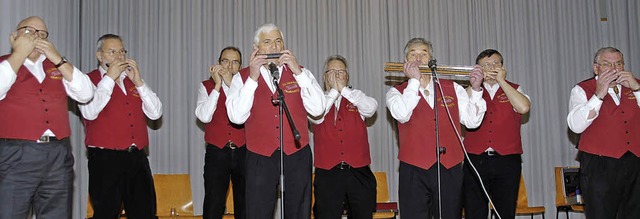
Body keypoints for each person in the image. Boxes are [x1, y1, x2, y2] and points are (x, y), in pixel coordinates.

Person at [226, 23, 325, 218]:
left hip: (297, 153)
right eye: (268, 42)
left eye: (278, 41)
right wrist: (253, 79)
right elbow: (236, 117)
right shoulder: (242, 77)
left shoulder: (301, 73)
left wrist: (298, 73)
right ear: (257, 49)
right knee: (258, 211)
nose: (274, 47)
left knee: (299, 210)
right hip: (260, 156)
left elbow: (318, 109)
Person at [0, 16, 94, 218]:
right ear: (14, 37)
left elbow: (86, 93)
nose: (37, 37)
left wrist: (58, 59)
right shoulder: (4, 65)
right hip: (17, 154)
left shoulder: (57, 66)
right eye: (30, 31)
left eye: (42, 34)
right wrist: (18, 54)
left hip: (58, 154)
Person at [386, 38, 486, 219]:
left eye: (424, 53)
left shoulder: (453, 88)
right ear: (405, 62)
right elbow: (401, 114)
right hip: (413, 169)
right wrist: (414, 82)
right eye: (413, 54)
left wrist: (476, 90)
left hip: (449, 167)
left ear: (432, 59)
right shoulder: (396, 92)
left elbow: (472, 121)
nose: (418, 58)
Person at [78, 34, 163, 218]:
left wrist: (139, 82)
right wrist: (109, 79)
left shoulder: (132, 80)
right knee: (106, 213)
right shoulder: (87, 80)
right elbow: (89, 112)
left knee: (145, 212)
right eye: (112, 52)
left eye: (122, 51)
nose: (119, 57)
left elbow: (156, 113)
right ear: (99, 56)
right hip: (105, 158)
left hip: (137, 157)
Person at [567, 47, 640, 218]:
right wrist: (598, 95)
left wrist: (637, 89)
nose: (614, 69)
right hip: (598, 164)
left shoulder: (636, 85)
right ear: (596, 68)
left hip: (635, 160)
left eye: (619, 64)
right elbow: (575, 126)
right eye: (607, 64)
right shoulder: (582, 89)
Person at [462, 49, 531, 219]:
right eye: (486, 65)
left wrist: (502, 82)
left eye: (496, 64)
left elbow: (523, 107)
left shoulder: (515, 88)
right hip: (475, 159)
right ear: (478, 68)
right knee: (474, 210)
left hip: (507, 159)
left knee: (505, 210)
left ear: (503, 66)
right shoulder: (470, 90)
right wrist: (474, 84)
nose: (492, 67)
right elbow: (460, 111)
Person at [309, 55, 378, 219]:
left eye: (340, 71)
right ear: (325, 77)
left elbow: (370, 108)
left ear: (347, 76)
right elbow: (316, 115)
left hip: (358, 172)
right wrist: (334, 91)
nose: (337, 75)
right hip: (328, 174)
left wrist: (344, 90)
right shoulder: (317, 100)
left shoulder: (356, 97)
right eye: (332, 71)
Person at [195, 46, 246, 219]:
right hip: (217, 151)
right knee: (213, 201)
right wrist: (217, 86)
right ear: (218, 63)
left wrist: (232, 84)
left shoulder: (247, 88)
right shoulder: (206, 86)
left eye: (235, 62)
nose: (230, 66)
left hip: (244, 150)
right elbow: (203, 117)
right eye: (226, 61)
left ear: (240, 67)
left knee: (245, 201)